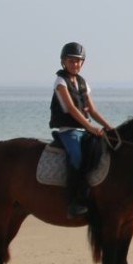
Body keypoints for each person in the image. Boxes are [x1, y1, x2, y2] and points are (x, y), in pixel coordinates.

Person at [52, 41, 116, 218]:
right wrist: (90, 127)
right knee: (77, 157)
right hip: (68, 130)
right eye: (72, 61)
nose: (75, 64)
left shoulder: (82, 82)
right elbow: (71, 108)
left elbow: (92, 110)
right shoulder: (60, 82)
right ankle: (74, 200)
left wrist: (109, 127)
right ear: (64, 62)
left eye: (79, 61)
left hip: (84, 130)